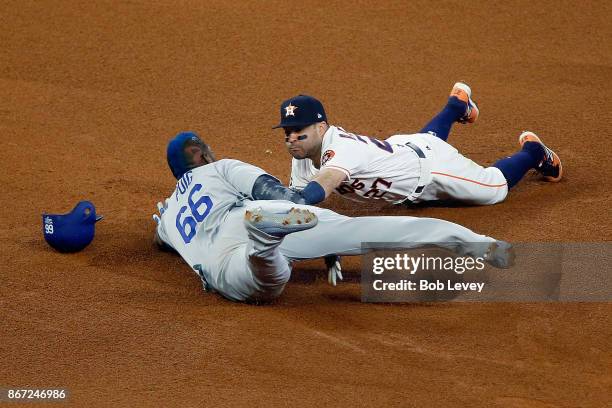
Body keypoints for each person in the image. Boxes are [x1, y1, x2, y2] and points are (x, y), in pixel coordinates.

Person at [153, 131, 513, 303]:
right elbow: (279, 196)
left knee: (267, 277)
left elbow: (159, 239)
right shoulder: (222, 168)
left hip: (225, 253)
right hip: (252, 218)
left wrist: (164, 225)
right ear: (200, 155)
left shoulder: (168, 214)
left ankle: (265, 242)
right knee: (367, 230)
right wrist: (324, 233)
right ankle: (481, 246)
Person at [273, 82, 563, 206]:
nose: (291, 138)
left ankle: (534, 152)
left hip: (433, 169)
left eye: (299, 131)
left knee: (495, 189)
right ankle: (455, 108)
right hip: (405, 149)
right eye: (287, 132)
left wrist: (297, 203)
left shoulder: (341, 149)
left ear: (321, 127)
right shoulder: (304, 153)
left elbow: (325, 181)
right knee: (428, 140)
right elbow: (297, 197)